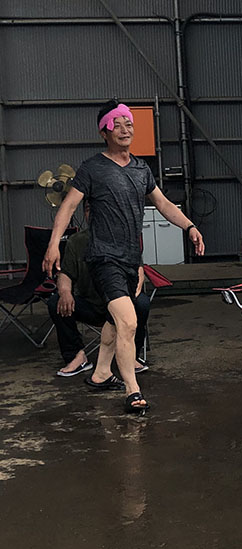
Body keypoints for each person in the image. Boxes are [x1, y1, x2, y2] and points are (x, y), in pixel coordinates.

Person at [43, 99, 204, 414]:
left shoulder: (141, 168)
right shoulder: (92, 168)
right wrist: (53, 245)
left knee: (114, 322)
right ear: (104, 132)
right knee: (128, 322)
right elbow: (69, 206)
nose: (124, 129)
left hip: (131, 258)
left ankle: (101, 373)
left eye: (128, 123)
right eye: (116, 125)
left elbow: (162, 203)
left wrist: (189, 226)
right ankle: (133, 389)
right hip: (104, 258)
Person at [49, 200, 150, 385]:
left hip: (120, 304)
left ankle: (132, 355)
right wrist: (65, 292)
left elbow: (139, 271)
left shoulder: (125, 238)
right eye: (89, 209)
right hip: (90, 305)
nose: (93, 213)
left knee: (141, 303)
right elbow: (65, 274)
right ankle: (76, 356)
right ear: (84, 214)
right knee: (56, 302)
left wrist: (130, 297)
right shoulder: (76, 242)